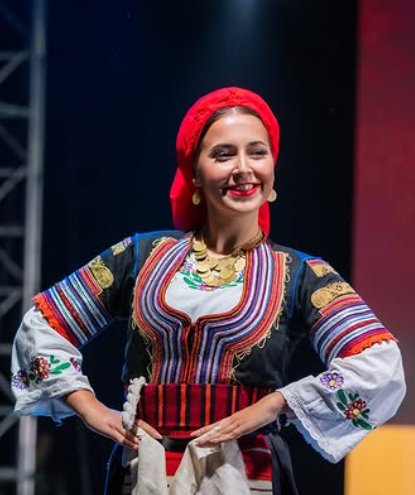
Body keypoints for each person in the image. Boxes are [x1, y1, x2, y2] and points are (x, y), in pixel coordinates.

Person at [11, 87, 406, 494]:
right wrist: (90, 407)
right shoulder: (141, 255)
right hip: (145, 471)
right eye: (223, 155)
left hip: (247, 474)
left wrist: (277, 404)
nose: (243, 168)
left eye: (257, 152)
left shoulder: (302, 275)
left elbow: (379, 363)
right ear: (194, 174)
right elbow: (43, 323)